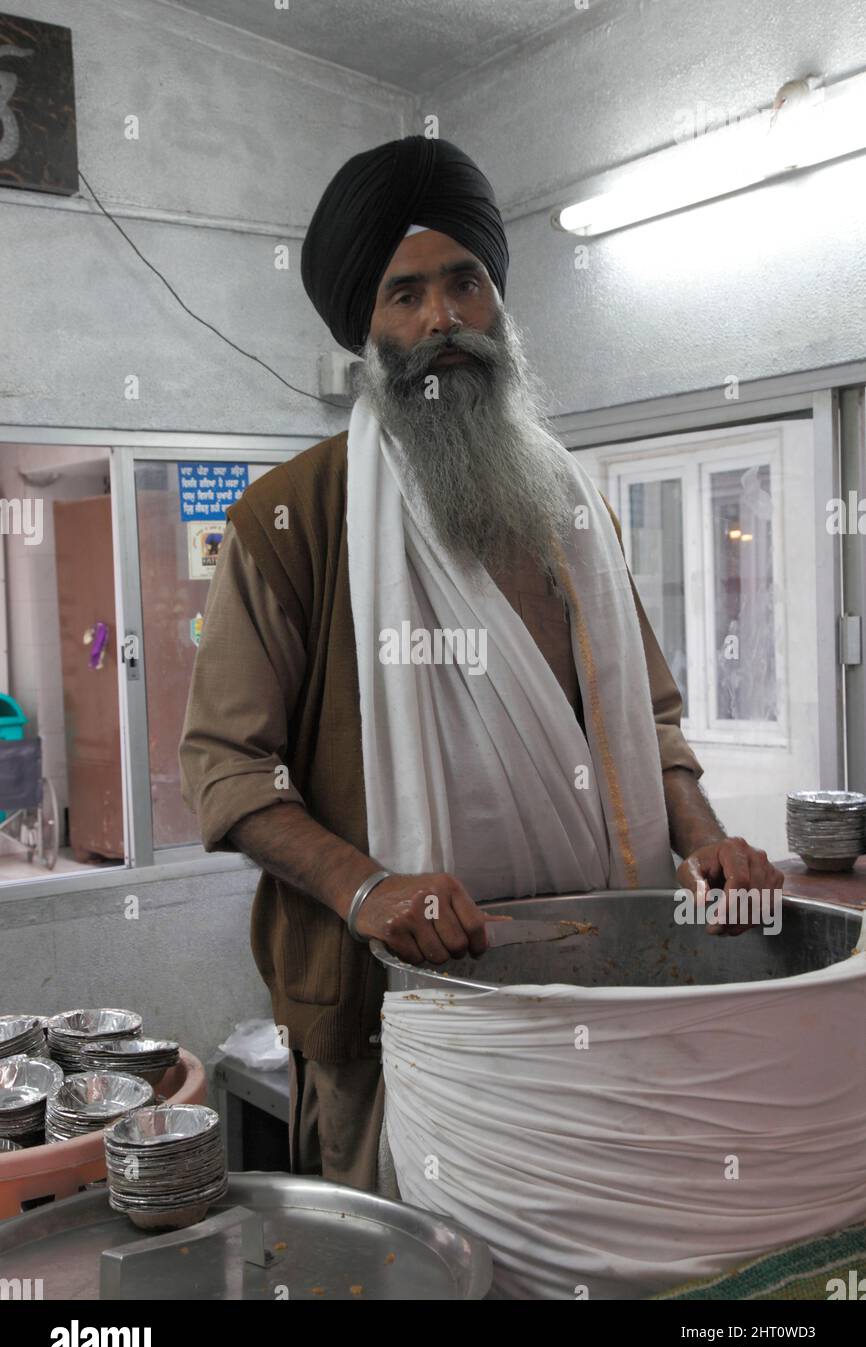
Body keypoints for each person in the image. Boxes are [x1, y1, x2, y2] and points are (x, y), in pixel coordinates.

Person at [179, 134, 782, 1194]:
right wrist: (366, 888)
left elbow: (649, 718)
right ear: (363, 329)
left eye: (464, 283)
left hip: (606, 990)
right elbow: (227, 769)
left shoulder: (573, 511)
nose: (440, 321)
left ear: (498, 302)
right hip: (394, 1024)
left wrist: (705, 840)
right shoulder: (294, 519)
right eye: (402, 294)